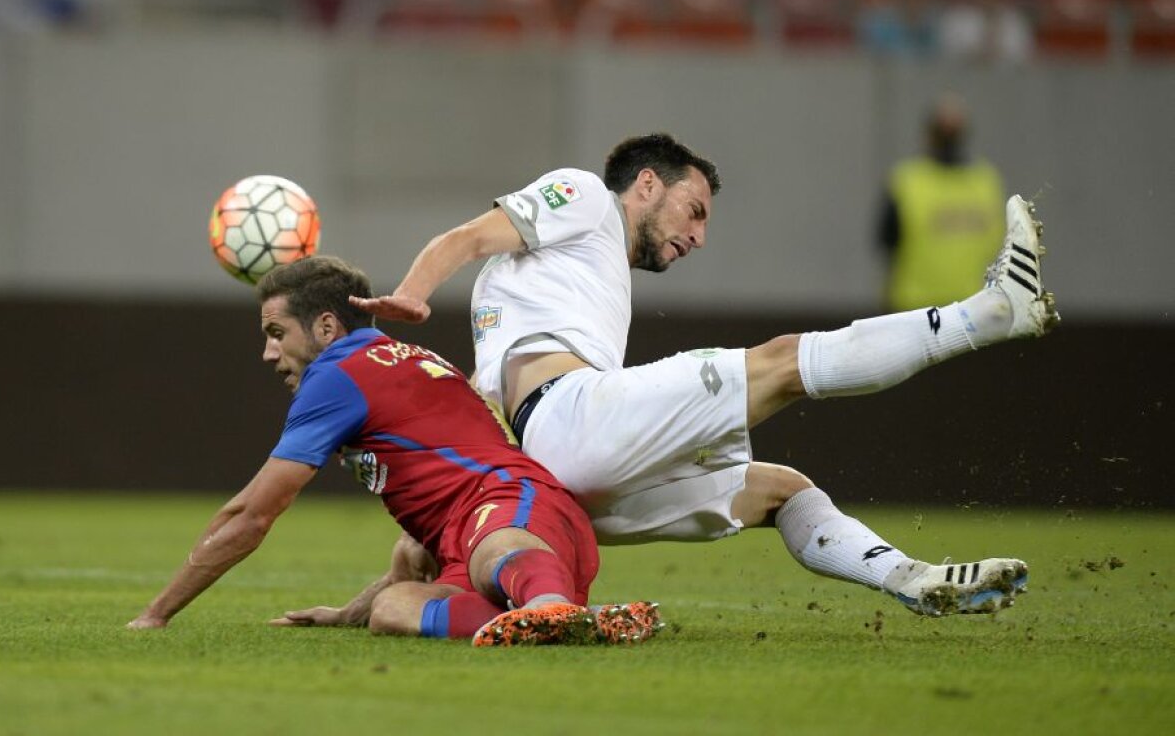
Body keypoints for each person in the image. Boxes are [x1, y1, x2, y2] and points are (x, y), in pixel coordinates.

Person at [298, 133, 1057, 621]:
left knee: (780, 489)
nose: (696, 235)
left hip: (561, 484)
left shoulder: (555, 289)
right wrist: (415, 291)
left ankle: (912, 580)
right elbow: (463, 235)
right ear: (648, 184)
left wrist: (353, 609)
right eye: (693, 211)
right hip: (567, 422)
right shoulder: (587, 197)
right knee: (782, 363)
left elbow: (474, 412)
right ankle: (993, 313)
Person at [126, 255, 660, 646]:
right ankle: (559, 620)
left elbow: (252, 513)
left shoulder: (337, 373)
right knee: (394, 605)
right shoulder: (403, 357)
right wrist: (347, 612)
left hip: (509, 510)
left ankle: (551, 607)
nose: (268, 353)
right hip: (496, 523)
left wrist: (157, 612)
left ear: (327, 327)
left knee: (487, 554)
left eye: (275, 332)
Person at [878, 93, 1008, 312]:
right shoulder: (985, 182)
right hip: (970, 307)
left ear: (929, 135)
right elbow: (999, 243)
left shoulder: (907, 180)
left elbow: (886, 241)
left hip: (917, 307)